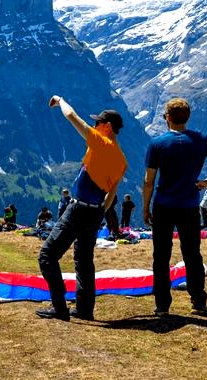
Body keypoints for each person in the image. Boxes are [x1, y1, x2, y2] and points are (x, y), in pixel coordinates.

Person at [37, 96, 127, 321]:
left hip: (77, 209)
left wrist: (60, 100)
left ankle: (59, 307)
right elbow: (112, 194)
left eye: (98, 123)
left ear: (106, 127)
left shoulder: (100, 142)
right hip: (95, 211)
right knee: (84, 261)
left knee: (47, 255)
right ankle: (85, 309)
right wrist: (99, 214)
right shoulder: (122, 160)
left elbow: (71, 116)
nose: (95, 126)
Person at [143, 98, 207, 317]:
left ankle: (162, 305)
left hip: (163, 205)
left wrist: (145, 208)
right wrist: (206, 182)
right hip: (189, 205)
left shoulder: (158, 143)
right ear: (187, 117)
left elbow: (148, 181)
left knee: (161, 256)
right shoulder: (200, 140)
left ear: (168, 118)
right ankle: (198, 302)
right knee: (192, 254)